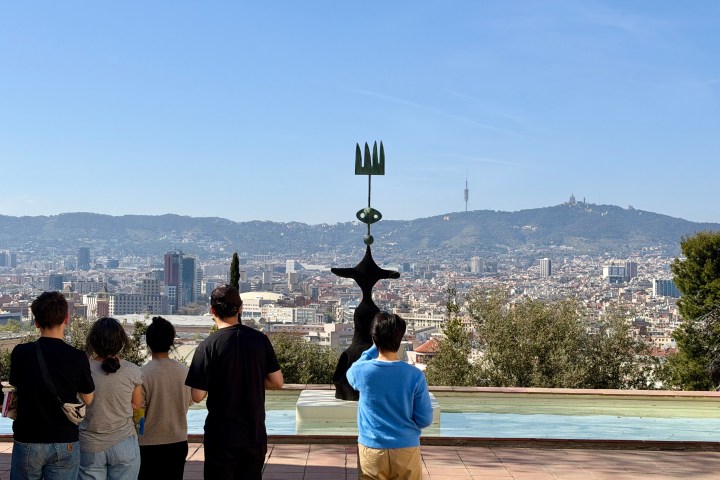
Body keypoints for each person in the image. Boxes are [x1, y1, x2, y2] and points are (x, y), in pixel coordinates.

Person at [186, 284, 284, 480]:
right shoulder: (260, 340)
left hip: (221, 436)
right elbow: (277, 382)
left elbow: (197, 396)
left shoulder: (207, 347)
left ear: (212, 310)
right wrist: (252, 378)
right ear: (240, 309)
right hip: (254, 433)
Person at [9, 291, 95, 480]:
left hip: (28, 437)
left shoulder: (21, 352)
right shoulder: (77, 356)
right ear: (67, 318)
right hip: (65, 439)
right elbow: (88, 398)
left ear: (36, 322)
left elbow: (16, 385)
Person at [346, 312, 433, 480]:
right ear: (400, 340)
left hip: (371, 448)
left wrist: (373, 348)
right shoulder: (414, 375)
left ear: (374, 339)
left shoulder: (361, 372)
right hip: (406, 448)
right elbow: (425, 419)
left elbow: (353, 370)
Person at [79, 317, 143, 480]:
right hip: (124, 443)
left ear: (92, 341)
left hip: (90, 444)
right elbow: (137, 404)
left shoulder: (82, 369)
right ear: (121, 342)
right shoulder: (132, 371)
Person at [138, 316, 193, 480]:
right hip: (178, 440)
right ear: (171, 342)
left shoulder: (142, 374)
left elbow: (138, 412)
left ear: (148, 343)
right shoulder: (184, 372)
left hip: (148, 443)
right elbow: (189, 400)